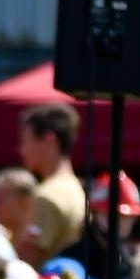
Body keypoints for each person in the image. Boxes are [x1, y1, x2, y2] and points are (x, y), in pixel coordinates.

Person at [17, 103, 87, 264]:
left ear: (49, 140)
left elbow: (26, 265)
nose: (21, 150)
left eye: (26, 141)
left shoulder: (47, 196)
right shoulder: (77, 189)